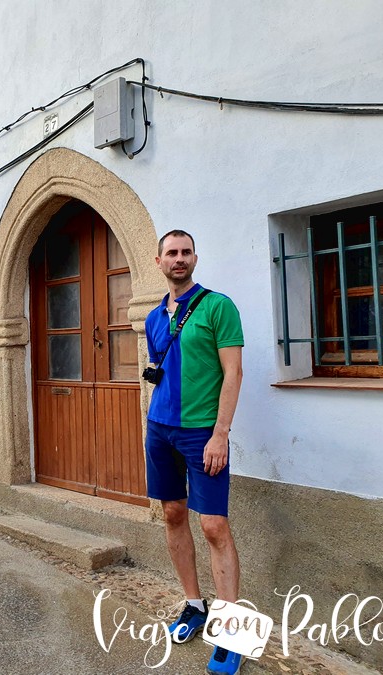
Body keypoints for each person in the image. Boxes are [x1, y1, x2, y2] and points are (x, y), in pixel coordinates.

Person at [143, 230, 244, 675]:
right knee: (172, 514)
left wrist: (220, 433)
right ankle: (193, 605)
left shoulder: (219, 307)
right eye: (171, 253)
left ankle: (232, 628)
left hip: (203, 432)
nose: (178, 259)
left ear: (195, 258)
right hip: (160, 429)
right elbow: (159, 370)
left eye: (185, 252)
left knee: (215, 525)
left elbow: (233, 371)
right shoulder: (152, 317)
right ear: (159, 261)